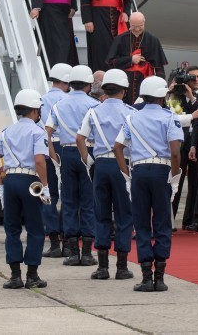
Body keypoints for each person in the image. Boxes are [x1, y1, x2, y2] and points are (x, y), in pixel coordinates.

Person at [114, 76, 183, 292]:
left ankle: (145, 276)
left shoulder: (132, 118)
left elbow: (117, 147)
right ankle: (160, 277)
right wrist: (174, 178)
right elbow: (175, 152)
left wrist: (126, 175)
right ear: (163, 95)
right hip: (162, 170)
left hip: (140, 171)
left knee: (141, 223)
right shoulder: (170, 118)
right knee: (162, 222)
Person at [0, 88, 49, 290]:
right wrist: (45, 186)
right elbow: (39, 160)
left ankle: (15, 276)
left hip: (11, 180)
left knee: (12, 228)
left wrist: (0, 185)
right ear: (34, 111)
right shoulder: (37, 132)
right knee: (35, 228)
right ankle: (32, 275)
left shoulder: (6, 132)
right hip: (30, 181)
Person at [76, 69, 135, 281]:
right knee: (124, 215)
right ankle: (121, 266)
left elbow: (80, 138)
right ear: (124, 90)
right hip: (122, 165)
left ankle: (102, 267)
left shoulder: (94, 111)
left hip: (100, 165)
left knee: (101, 213)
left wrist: (88, 160)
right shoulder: (130, 112)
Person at [45, 65, 99, 267]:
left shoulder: (58, 105)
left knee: (68, 202)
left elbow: (47, 132)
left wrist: (54, 157)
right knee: (88, 202)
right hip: (89, 151)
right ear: (88, 84)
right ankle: (86, 253)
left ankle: (71, 252)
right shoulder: (93, 105)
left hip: (66, 152)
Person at [39, 63, 72, 259]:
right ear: (66, 81)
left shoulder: (41, 100)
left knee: (48, 194)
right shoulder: (68, 100)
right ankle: (68, 241)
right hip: (66, 147)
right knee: (68, 194)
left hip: (46, 146)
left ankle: (53, 243)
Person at [167, 66, 198, 227]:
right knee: (176, 182)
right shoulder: (175, 96)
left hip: (195, 145)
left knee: (196, 184)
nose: (196, 80)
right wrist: (168, 92)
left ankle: (191, 221)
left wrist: (192, 98)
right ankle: (170, 219)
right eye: (193, 77)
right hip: (179, 146)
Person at [106, 11, 167, 104]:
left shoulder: (153, 40)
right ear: (129, 23)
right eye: (134, 26)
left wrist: (161, 86)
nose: (137, 29)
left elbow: (159, 67)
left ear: (144, 22)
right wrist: (130, 60)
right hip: (125, 83)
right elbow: (111, 62)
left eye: (140, 26)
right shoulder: (120, 39)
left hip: (145, 82)